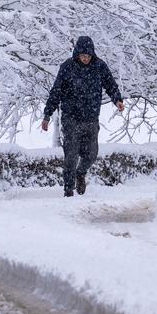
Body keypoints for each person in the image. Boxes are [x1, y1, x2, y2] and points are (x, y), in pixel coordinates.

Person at [41, 36, 125, 197]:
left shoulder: (100, 66)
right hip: (70, 118)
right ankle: (68, 190)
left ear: (92, 54)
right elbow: (56, 91)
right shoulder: (67, 67)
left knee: (91, 155)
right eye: (82, 55)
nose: (85, 58)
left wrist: (117, 100)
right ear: (77, 54)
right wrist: (47, 115)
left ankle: (81, 173)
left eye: (88, 55)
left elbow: (110, 84)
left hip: (91, 118)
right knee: (71, 155)